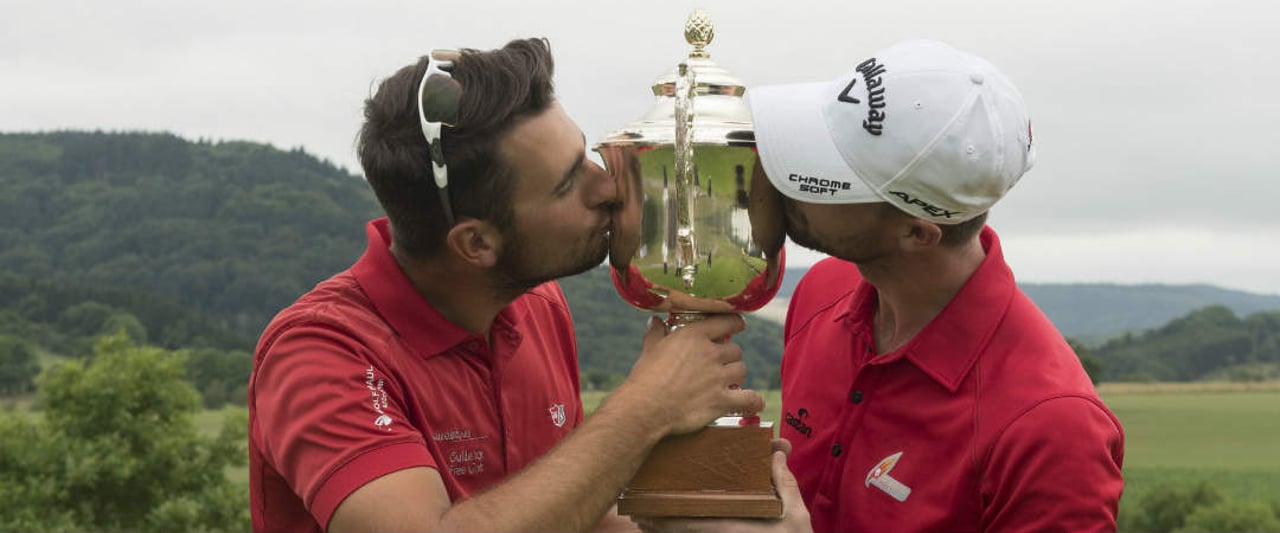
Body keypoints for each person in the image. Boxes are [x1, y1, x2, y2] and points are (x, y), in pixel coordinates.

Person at [247, 38, 764, 533]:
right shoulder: (318, 353)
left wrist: (701, 509)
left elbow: (566, 511)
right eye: (567, 183)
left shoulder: (535, 307)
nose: (606, 186)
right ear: (475, 244)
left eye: (585, 154)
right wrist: (647, 407)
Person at [644, 39, 1125, 533]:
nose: (783, 179)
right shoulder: (822, 292)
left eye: (828, 173)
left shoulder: (1053, 429)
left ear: (917, 233)